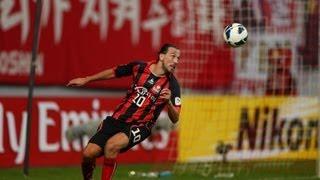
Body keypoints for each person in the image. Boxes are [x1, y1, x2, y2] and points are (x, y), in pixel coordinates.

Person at [67, 43, 181, 180]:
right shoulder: (139, 67)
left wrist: (168, 102)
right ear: (161, 56)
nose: (176, 61)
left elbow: (175, 118)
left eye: (178, 58)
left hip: (140, 126)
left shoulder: (173, 85)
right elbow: (114, 72)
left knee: (111, 145)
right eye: (173, 56)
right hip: (116, 120)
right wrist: (86, 79)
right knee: (88, 154)